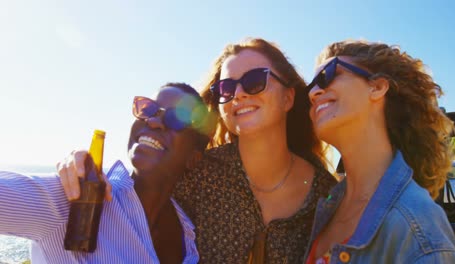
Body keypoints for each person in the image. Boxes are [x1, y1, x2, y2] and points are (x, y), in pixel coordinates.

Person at [58, 38, 337, 263]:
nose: (238, 93)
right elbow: (130, 195)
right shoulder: (199, 172)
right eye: (226, 88)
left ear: (288, 97)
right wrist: (80, 165)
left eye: (255, 80)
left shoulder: (325, 194)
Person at [0, 82, 215, 263]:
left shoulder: (189, 234)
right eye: (147, 109)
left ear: (193, 158)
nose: (153, 121)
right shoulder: (75, 196)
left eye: (176, 118)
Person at [304, 40, 455, 263]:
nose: (313, 92)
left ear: (377, 87)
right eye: (310, 86)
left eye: (327, 75)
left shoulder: (417, 227)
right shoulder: (324, 208)